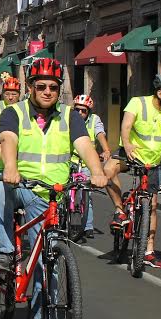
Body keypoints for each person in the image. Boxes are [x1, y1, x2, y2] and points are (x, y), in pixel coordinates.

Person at [0, 58, 106, 319]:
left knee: (46, 254)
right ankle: (5, 253)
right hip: (18, 183)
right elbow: (8, 139)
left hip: (48, 192)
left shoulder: (69, 115)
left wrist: (97, 171)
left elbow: (84, 144)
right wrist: (10, 167)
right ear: (30, 87)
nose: (48, 91)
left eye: (53, 86)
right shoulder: (13, 112)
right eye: (41, 86)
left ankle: (42, 312)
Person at [103, 74, 161, 270]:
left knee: (153, 205)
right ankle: (120, 210)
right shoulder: (137, 103)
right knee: (107, 170)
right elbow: (126, 126)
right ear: (160, 93)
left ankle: (148, 251)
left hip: (153, 161)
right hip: (130, 154)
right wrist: (128, 144)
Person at [70, 94, 111, 239]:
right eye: (77, 110)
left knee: (86, 194)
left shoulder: (95, 120)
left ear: (89, 112)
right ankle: (61, 220)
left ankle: (87, 226)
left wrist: (106, 150)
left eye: (83, 111)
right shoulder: (68, 118)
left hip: (87, 161)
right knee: (62, 191)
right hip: (70, 160)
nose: (80, 113)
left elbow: (100, 134)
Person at [0, 76, 22, 171]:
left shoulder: (24, 107)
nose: (10, 97)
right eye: (7, 94)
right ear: (2, 94)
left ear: (19, 94)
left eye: (14, 94)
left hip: (19, 158)